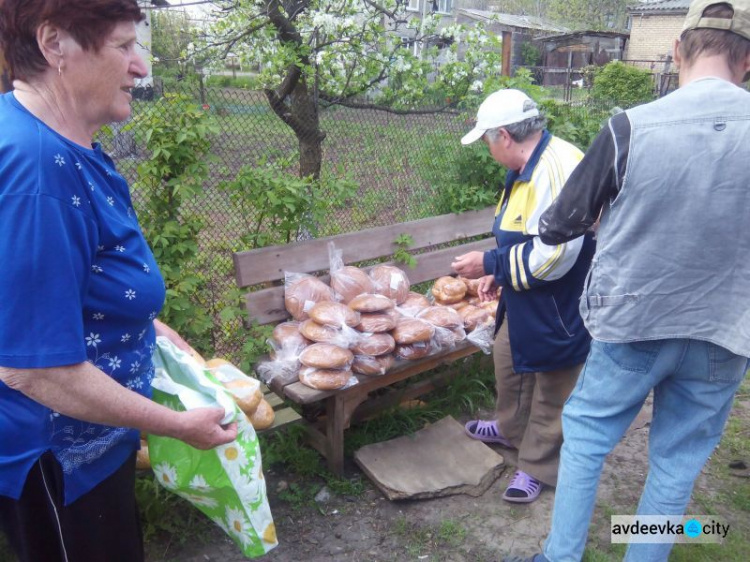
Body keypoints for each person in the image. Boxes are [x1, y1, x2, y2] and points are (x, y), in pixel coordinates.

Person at [502, 1, 750, 561]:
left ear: (678, 51)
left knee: (587, 441)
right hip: (726, 330)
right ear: (748, 62)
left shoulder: (628, 128)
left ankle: (561, 555)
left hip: (634, 320)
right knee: (676, 461)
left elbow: (557, 224)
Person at [0, 2, 238, 561]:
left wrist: (150, 327)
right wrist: (178, 425)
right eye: (125, 46)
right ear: (55, 44)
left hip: (94, 443)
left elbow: (67, 289)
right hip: (60, 459)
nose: (141, 66)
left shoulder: (65, 143)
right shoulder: (36, 172)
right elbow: (36, 369)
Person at [451, 89, 596, 503]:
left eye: (486, 140)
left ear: (504, 136)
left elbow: (554, 257)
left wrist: (492, 265)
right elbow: (525, 233)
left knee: (554, 382)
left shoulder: (558, 168)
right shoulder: (525, 166)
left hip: (560, 301)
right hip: (525, 294)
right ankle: (512, 429)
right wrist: (501, 273)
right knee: (509, 360)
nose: (486, 149)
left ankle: (536, 465)